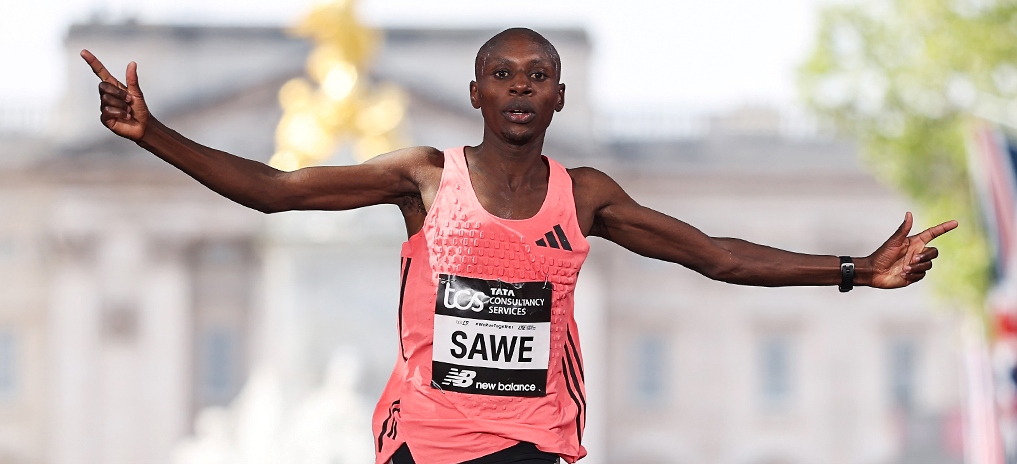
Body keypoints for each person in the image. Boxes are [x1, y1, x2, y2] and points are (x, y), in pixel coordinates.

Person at [81, 27, 956, 464]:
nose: (520, 89)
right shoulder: (424, 177)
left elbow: (715, 255)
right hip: (422, 439)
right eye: (503, 75)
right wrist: (153, 133)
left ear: (560, 98)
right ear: (474, 91)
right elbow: (275, 193)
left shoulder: (586, 196)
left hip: (531, 441)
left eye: (537, 76)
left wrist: (851, 270)